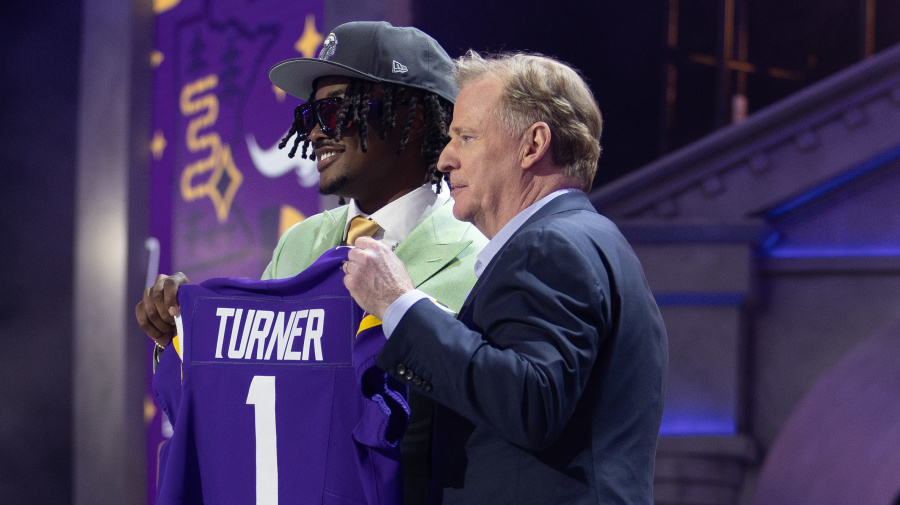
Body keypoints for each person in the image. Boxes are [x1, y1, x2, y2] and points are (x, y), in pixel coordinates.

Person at [135, 21, 487, 505]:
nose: (317, 131)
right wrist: (182, 334)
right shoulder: (299, 242)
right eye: (309, 115)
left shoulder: (479, 254)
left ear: (416, 117)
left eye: (335, 110)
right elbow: (254, 386)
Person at [343, 51, 668, 504]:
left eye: (466, 137)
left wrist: (399, 303)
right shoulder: (586, 238)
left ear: (532, 145)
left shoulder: (551, 247)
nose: (445, 160)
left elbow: (529, 402)